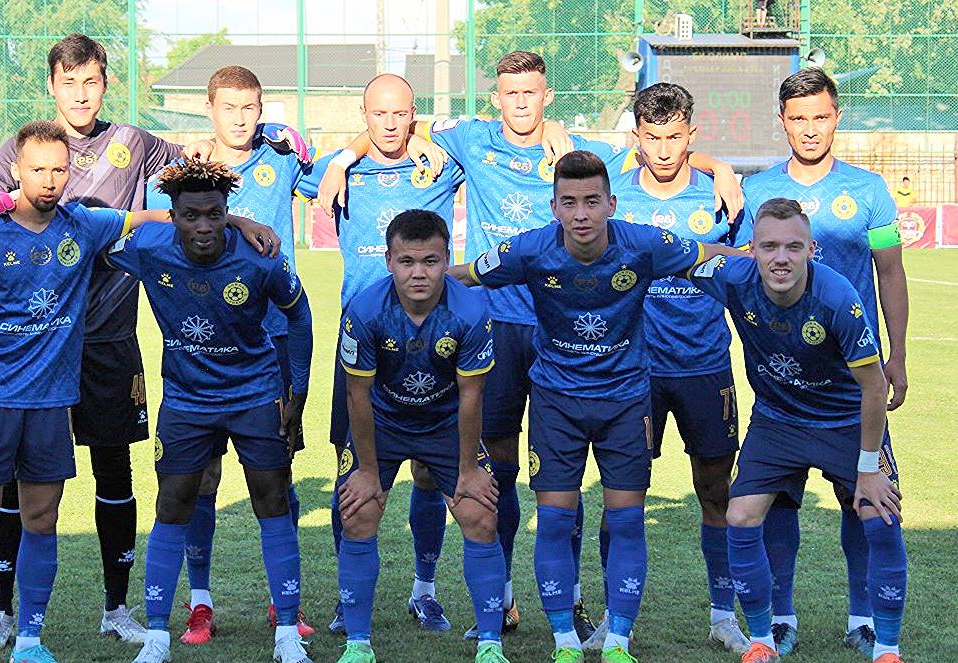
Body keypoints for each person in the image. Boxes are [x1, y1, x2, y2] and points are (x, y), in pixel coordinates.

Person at [317, 50, 745, 641]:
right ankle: (504, 599)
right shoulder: (470, 140)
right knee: (495, 468)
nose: (521, 103)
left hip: (553, 335)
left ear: (548, 96)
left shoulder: (582, 156)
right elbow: (395, 124)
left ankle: (574, 603)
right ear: (496, 97)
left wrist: (718, 167)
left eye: (531, 93)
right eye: (510, 93)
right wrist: (344, 157)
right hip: (492, 330)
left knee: (566, 481)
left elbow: (660, 149)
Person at [0, 34, 279, 648]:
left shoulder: (134, 143)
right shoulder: (22, 150)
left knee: (114, 471)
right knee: (12, 483)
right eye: (69, 83)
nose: (81, 95)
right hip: (30, 348)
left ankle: (117, 608)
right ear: (51, 86)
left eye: (92, 82)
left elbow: (195, 190)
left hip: (108, 340)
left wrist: (236, 217)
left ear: (106, 84)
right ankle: (1, 612)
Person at [450, 150, 744, 663]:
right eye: (569, 202)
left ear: (611, 204)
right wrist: (404, 282)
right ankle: (564, 642)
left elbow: (706, 253)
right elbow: (466, 274)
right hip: (556, 404)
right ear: (554, 208)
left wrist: (766, 257)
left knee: (627, 521)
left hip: (625, 402)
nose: (581, 214)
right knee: (554, 522)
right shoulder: (529, 249)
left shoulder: (644, 244)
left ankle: (618, 642)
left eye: (591, 201)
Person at [0, 121, 172, 663]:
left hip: (51, 405)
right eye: (37, 169)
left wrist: (239, 222)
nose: (49, 180)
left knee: (41, 521)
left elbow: (158, 219)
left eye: (58, 169)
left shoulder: (82, 225)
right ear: (15, 171)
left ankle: (29, 639)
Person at [107, 158, 314, 663]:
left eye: (215, 215)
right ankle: (158, 638)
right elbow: (85, 225)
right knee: (173, 504)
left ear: (227, 212)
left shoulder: (261, 257)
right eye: (190, 216)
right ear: (172, 215)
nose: (204, 227)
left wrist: (298, 393)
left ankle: (287, 633)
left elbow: (300, 314)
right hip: (186, 400)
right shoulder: (148, 247)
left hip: (254, 394)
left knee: (272, 499)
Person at [689, 198, 907, 663]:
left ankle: (886, 648)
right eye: (769, 247)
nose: (781, 258)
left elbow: (873, 387)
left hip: (845, 420)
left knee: (880, 514)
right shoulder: (734, 276)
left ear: (811, 250)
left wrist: (869, 469)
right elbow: (684, 256)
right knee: (740, 515)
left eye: (793, 247)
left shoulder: (837, 297)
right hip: (778, 420)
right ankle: (764, 640)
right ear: (752, 250)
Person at [737, 67, 909, 657]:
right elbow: (738, 267)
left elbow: (890, 272)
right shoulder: (754, 192)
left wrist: (898, 354)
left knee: (867, 502)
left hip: (851, 381)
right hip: (782, 388)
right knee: (777, 504)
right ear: (782, 122)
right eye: (798, 118)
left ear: (837, 117)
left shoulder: (870, 191)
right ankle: (779, 618)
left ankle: (864, 618)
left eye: (820, 116)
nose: (810, 129)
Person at [145, 63, 318, 643]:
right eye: (229, 108)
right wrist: (237, 219)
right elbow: (157, 223)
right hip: (202, 349)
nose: (240, 119)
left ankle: (282, 604)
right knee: (201, 479)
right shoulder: (186, 171)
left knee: (277, 475)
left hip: (269, 343)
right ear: (210, 110)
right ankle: (200, 601)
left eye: (250, 108)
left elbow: (340, 175)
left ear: (262, 109)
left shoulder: (284, 156)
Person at [293, 73, 466, 634]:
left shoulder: (440, 164)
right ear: (363, 116)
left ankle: (425, 590)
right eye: (378, 114)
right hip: (363, 347)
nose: (390, 125)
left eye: (400, 114)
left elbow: (507, 133)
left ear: (413, 113)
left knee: (429, 475)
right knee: (352, 474)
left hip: (434, 345)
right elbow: (262, 150)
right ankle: (349, 598)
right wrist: (345, 156)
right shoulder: (338, 171)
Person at [608, 82, 748, 654]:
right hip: (632, 372)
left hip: (705, 366)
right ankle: (616, 620)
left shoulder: (721, 197)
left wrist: (722, 170)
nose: (664, 150)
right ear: (637, 138)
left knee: (715, 491)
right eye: (652, 138)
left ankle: (723, 616)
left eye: (674, 137)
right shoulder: (614, 197)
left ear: (691, 134)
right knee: (623, 496)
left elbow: (749, 268)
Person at [334, 209, 507, 663]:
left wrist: (468, 469)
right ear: (389, 260)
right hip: (384, 422)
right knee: (358, 512)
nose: (419, 273)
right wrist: (366, 470)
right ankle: (358, 644)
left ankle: (490, 645)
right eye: (407, 261)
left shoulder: (471, 310)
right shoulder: (365, 311)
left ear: (447, 259)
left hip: (445, 423)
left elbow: (472, 396)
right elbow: (357, 394)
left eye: (430, 261)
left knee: (480, 514)